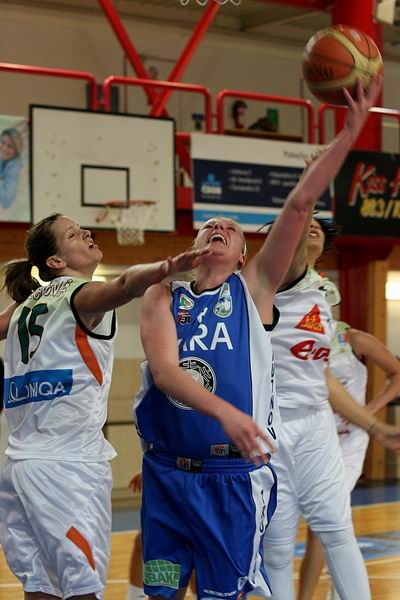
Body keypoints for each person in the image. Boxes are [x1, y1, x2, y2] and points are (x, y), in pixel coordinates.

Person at [133, 76, 382, 600]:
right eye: (210, 224)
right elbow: (165, 372)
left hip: (231, 472)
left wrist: (348, 136)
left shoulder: (253, 291)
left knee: (231, 591)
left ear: (246, 257)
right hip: (167, 473)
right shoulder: (162, 295)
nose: (219, 226)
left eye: (231, 227)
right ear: (194, 242)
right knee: (160, 591)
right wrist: (226, 412)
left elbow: (299, 205)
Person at [0, 212, 212, 600]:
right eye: (73, 234)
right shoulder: (81, 295)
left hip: (18, 465)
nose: (86, 232)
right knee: (83, 590)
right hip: (66, 467)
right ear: (56, 261)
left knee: (41, 589)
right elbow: (127, 283)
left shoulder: (24, 306)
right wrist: (166, 267)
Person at [261, 90, 400, 600]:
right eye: (305, 229)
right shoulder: (277, 278)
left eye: (319, 229)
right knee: (277, 546)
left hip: (317, 422)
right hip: (271, 424)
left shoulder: (322, 295)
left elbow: (319, 377)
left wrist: (374, 424)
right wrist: (340, 145)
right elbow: (298, 213)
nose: (311, 231)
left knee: (338, 531)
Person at [298, 320, 400, 600]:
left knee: (322, 523)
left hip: (349, 441)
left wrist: (368, 412)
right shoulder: (294, 335)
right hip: (312, 437)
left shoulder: (352, 338)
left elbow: (397, 372)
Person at [0, 127, 24, 209]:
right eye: (3, 143)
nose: (4, 148)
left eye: (10, 146)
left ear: (16, 150)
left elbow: (6, 202)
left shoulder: (15, 169)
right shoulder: (4, 159)